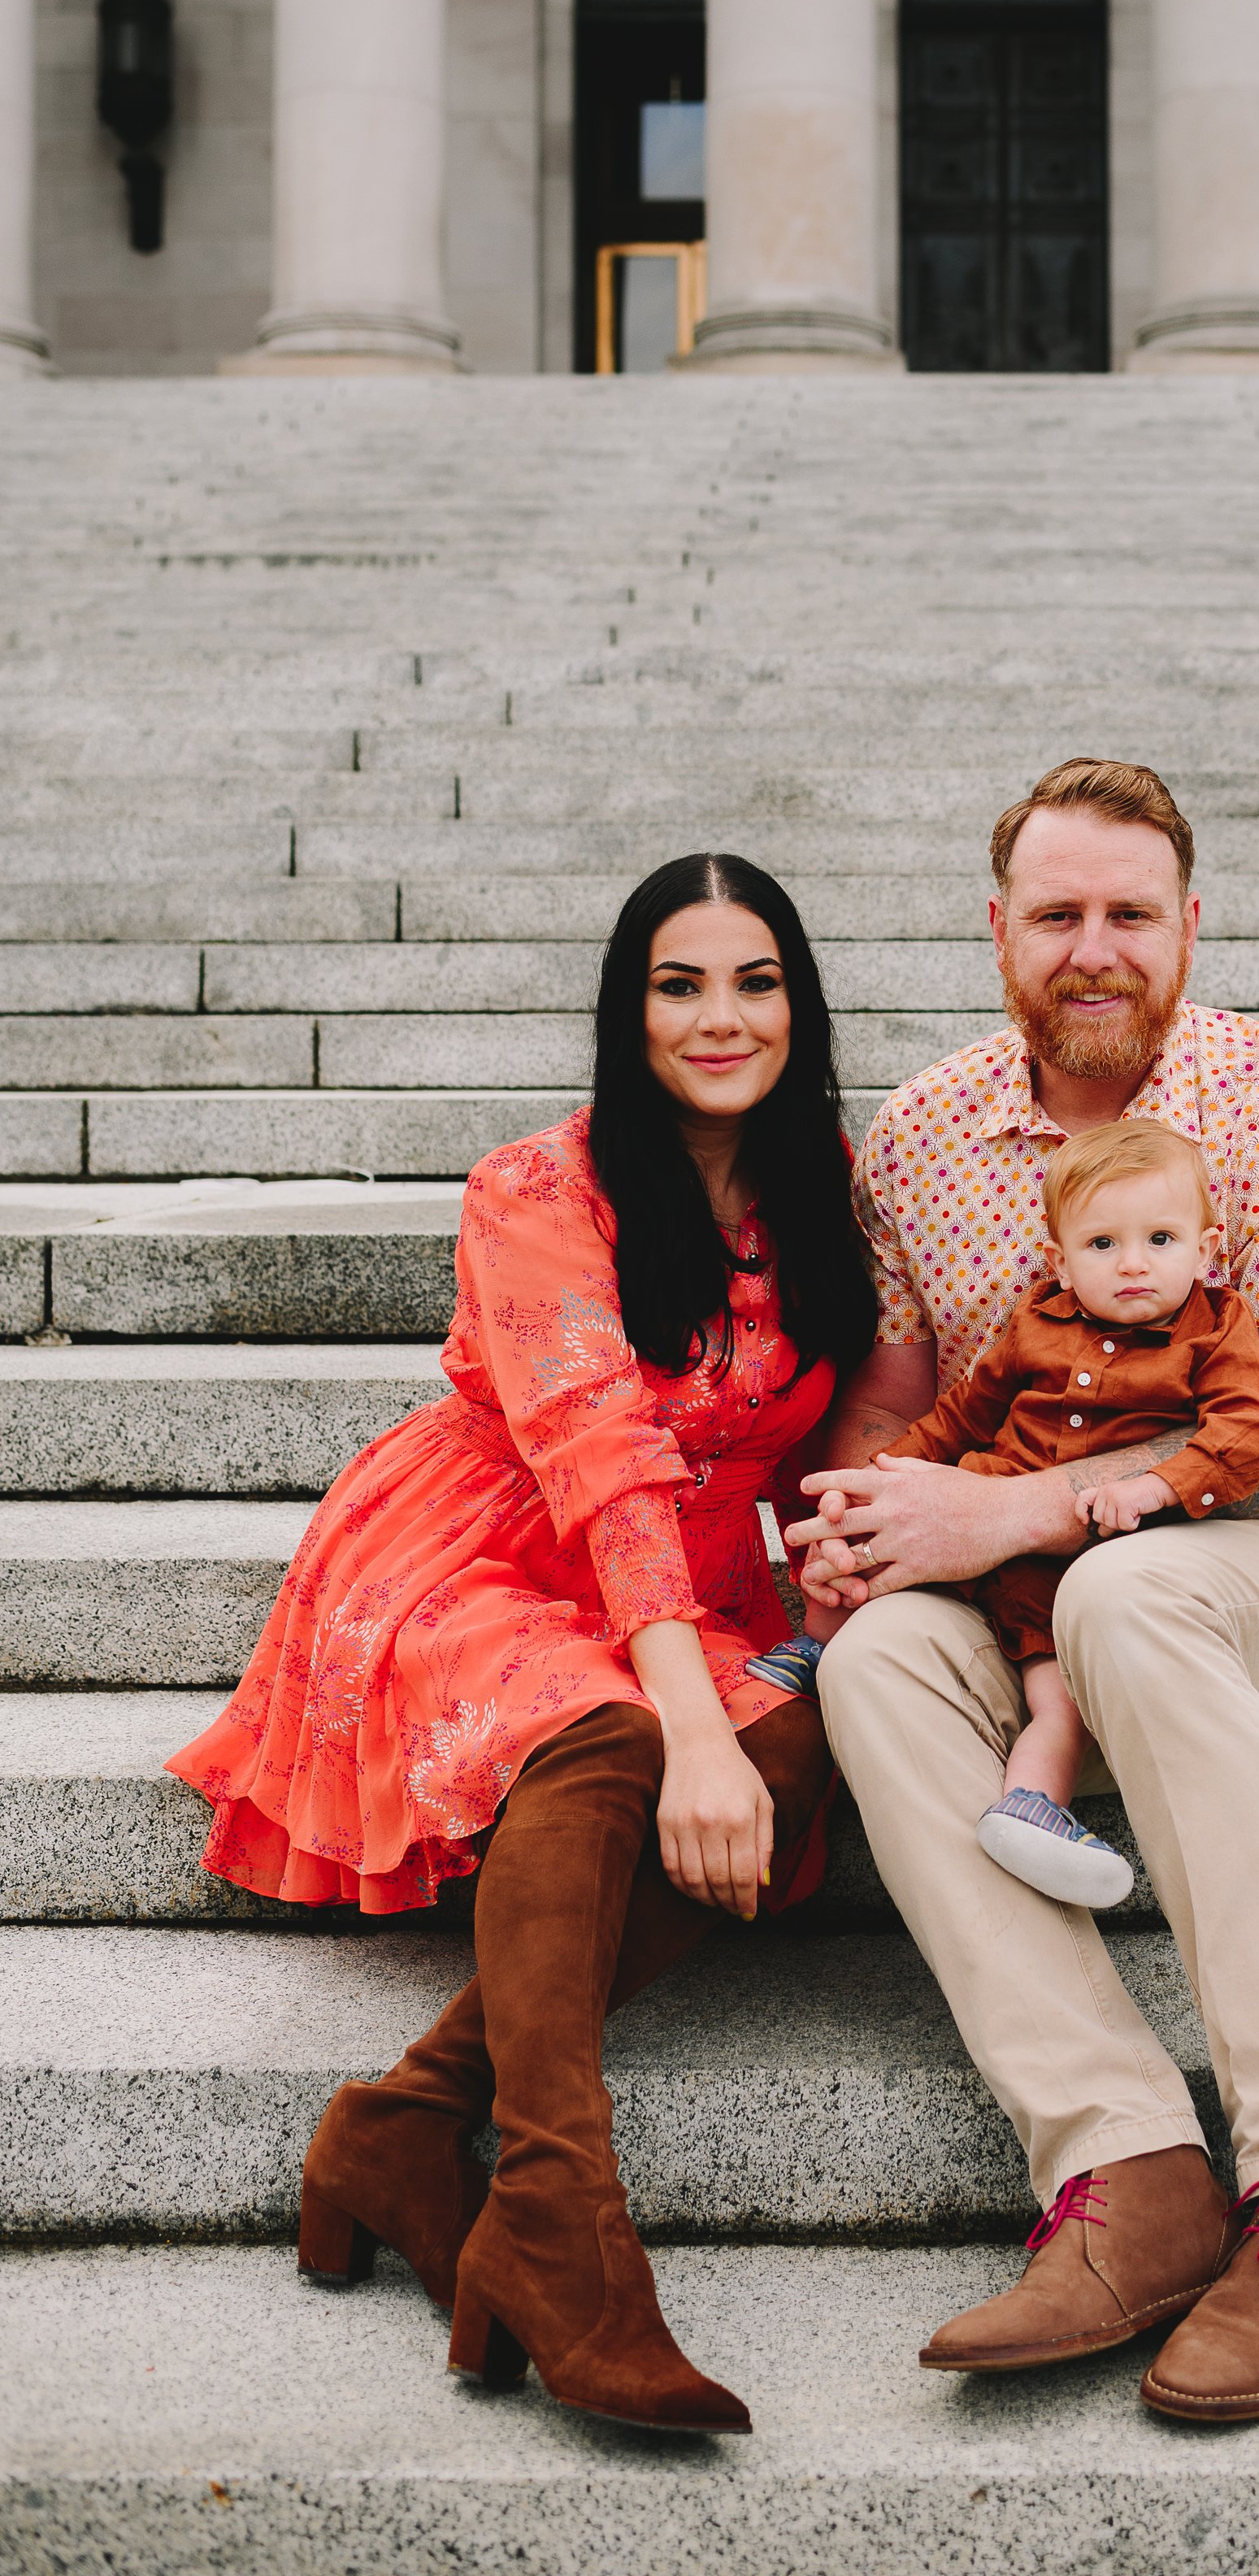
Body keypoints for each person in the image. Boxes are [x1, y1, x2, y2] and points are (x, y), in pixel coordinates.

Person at [166, 854, 875, 2436]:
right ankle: (560, 2219)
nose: (719, 1015)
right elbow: (597, 1459)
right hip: (492, 1541)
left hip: (711, 1576)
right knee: (619, 1738)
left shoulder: (828, 1179)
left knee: (804, 1742)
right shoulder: (537, 1187)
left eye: (754, 980)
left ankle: (410, 2120)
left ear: (797, 1002)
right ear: (627, 1012)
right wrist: (690, 1724)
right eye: (677, 983)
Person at [786, 758, 1259, 2427]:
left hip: (1257, 1581)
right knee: (878, 1668)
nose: (1094, 945)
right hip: (1028, 1614)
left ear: (1186, 927)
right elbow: (893, 1395)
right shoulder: (923, 1132)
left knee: (1124, 1597)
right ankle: (1131, 2169)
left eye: (1128, 912)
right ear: (997, 930)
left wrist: (1020, 1519)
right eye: (1056, 912)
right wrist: (857, 1522)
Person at [752, 1117, 1259, 1914]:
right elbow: (965, 1412)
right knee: (865, 1531)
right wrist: (889, 1477)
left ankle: (1034, 1805)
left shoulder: (1215, 1327)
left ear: (1206, 1247)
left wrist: (1159, 1485)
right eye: (1102, 1244)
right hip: (978, 1499)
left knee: (1055, 1694)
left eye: (1161, 1238)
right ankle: (816, 1648)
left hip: (1063, 1563)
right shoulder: (1039, 1318)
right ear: (1059, 1259)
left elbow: (1251, 1430)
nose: (1133, 1262)